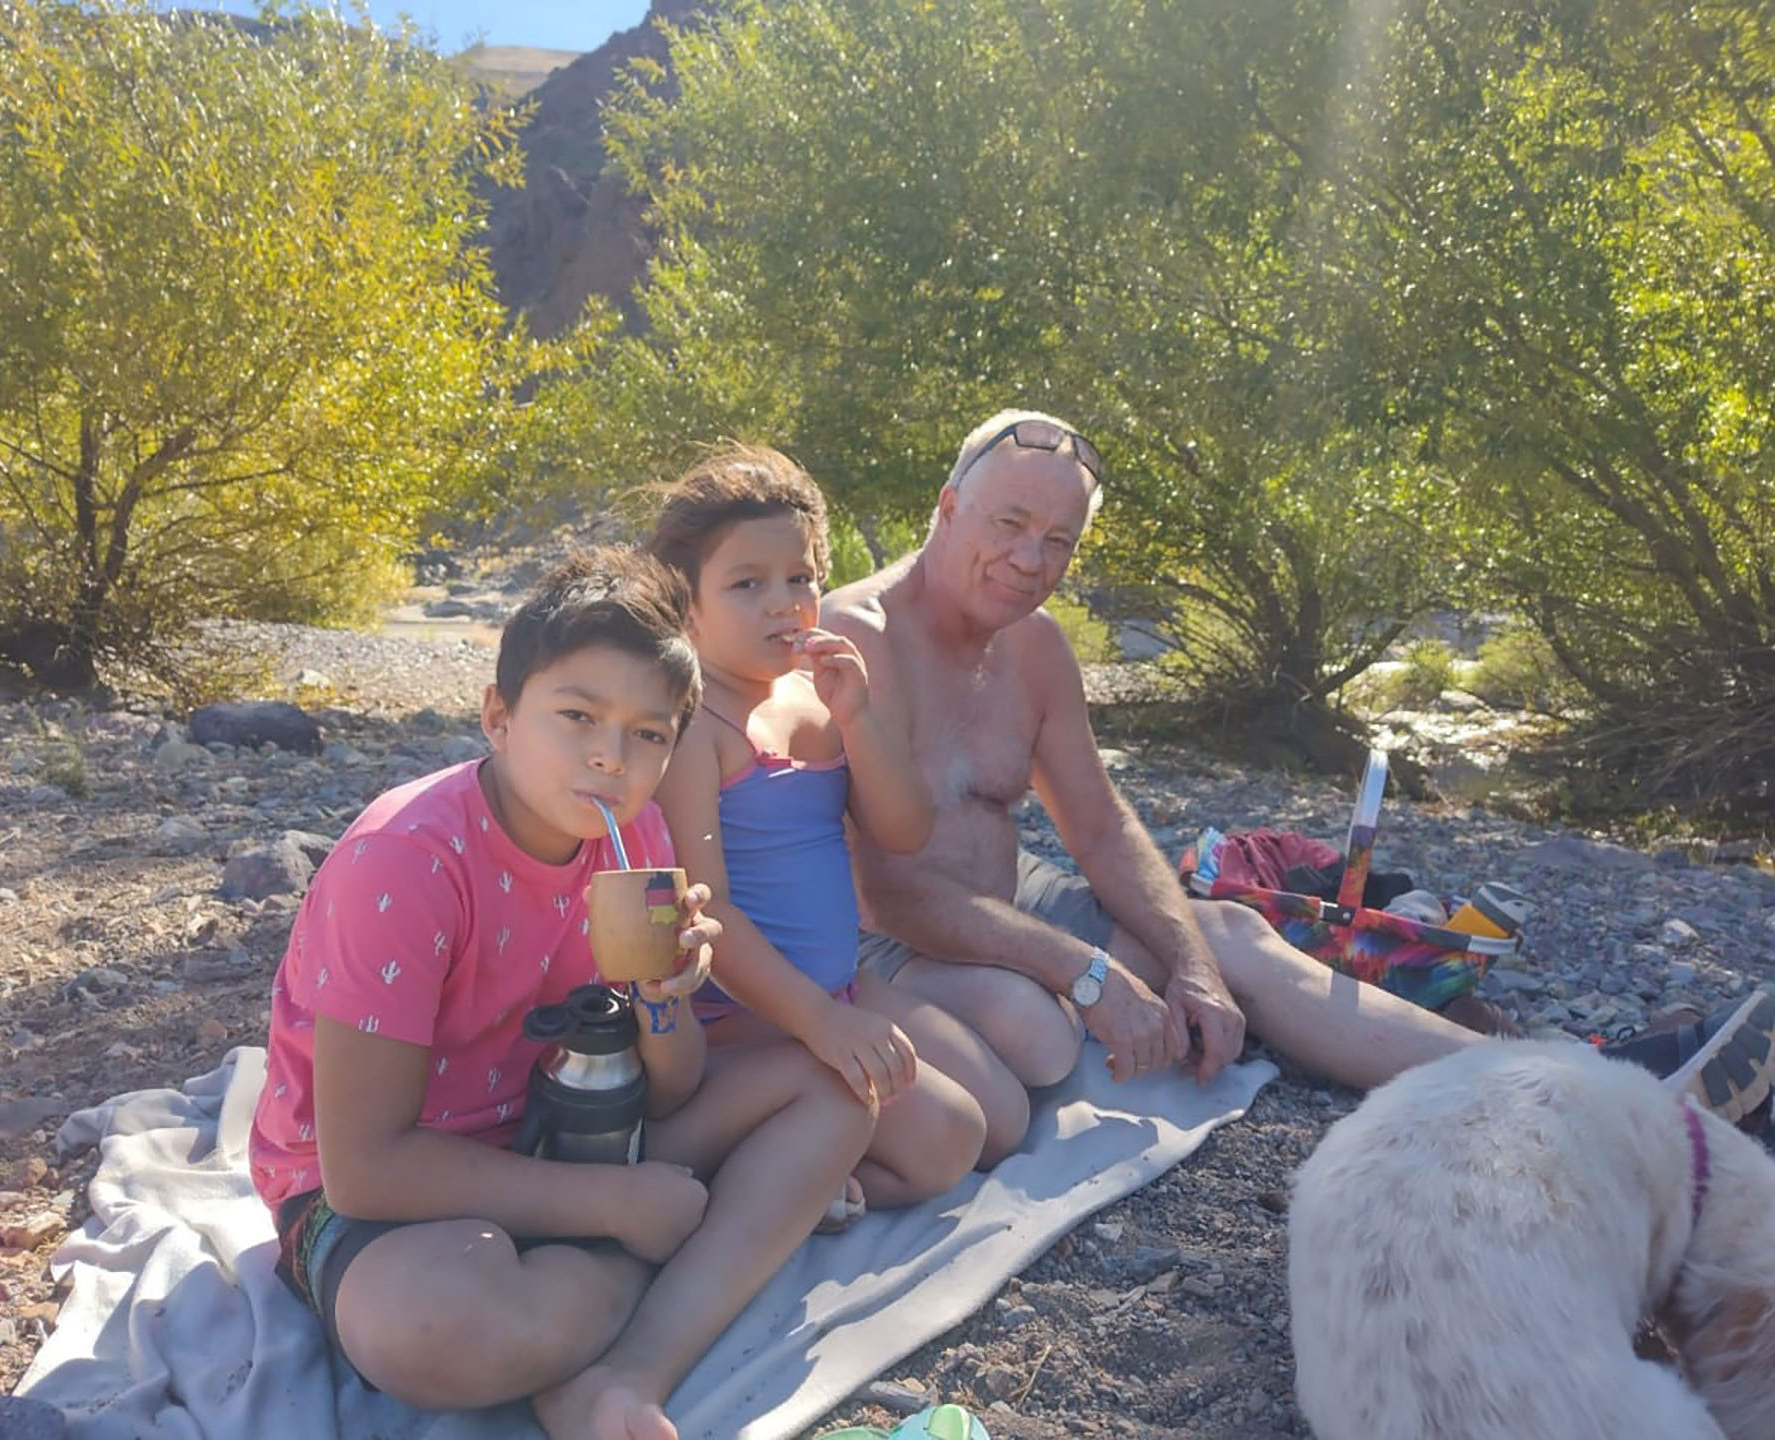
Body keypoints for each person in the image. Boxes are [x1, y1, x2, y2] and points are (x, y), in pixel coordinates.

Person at [822, 408, 1775, 1147]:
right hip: (897, 942)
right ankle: (1579, 1094)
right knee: (1039, 1023)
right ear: (947, 508)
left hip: (1012, 901)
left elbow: (1101, 829)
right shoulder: (856, 641)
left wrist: (1186, 962)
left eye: (1060, 542)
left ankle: (1573, 1083)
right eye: (1011, 523)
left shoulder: (1036, 650)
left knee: (1228, 930)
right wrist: (1085, 970)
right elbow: (885, 887)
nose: (1032, 560)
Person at [249, 548, 875, 1440]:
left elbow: (672, 1088)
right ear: (498, 717)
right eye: (577, 716)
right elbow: (365, 1168)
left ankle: (627, 1375)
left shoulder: (636, 834)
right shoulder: (407, 863)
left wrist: (664, 1002)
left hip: (569, 1126)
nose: (609, 759)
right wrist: (616, 1209)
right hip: (383, 1192)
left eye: (648, 735)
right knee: (436, 1335)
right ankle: (697, 1241)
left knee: (836, 1088)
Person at [646, 447, 1009, 1216]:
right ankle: (780, 1180)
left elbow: (905, 832)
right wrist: (821, 1023)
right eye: (748, 584)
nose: (786, 602)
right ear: (688, 609)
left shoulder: (819, 696)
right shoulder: (695, 730)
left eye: (802, 578)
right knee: (951, 1138)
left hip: (837, 989)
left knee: (1002, 1120)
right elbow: (710, 914)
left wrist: (860, 719)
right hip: (745, 1020)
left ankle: (809, 1172)